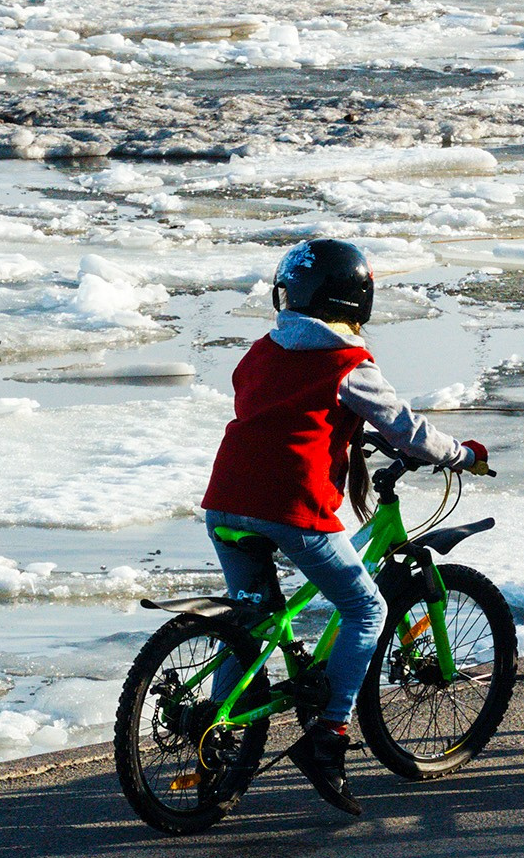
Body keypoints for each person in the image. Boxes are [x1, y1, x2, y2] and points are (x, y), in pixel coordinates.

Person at [201, 238, 488, 816]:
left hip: (226, 499)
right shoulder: (348, 364)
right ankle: (328, 738)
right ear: (358, 301)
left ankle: (215, 734)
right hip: (292, 506)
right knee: (367, 610)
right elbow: (406, 429)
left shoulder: (261, 349)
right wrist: (459, 454)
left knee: (250, 619)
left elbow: (269, 405)